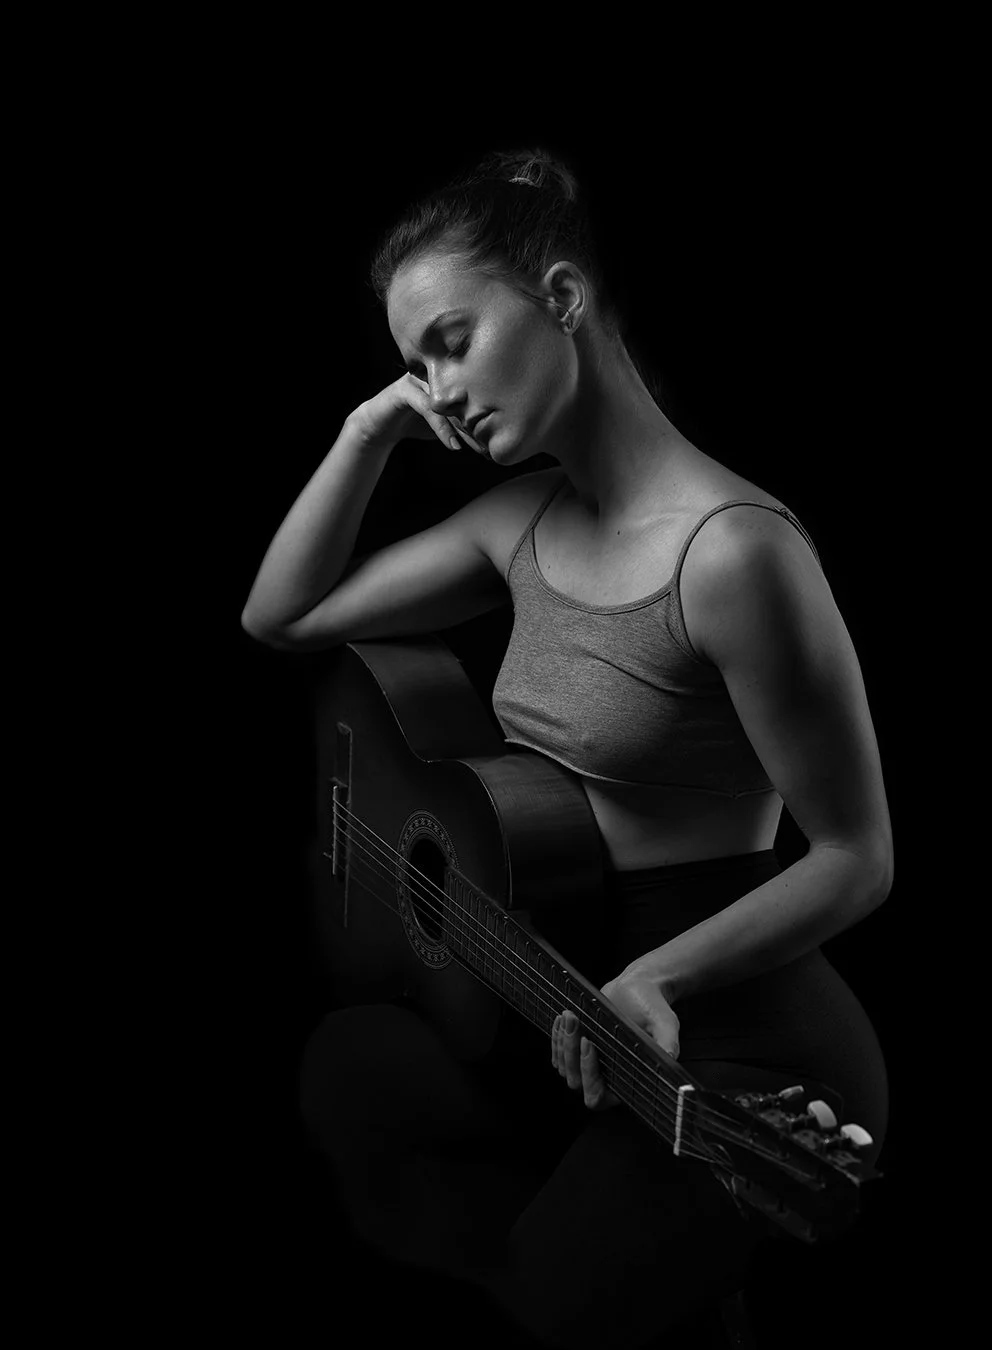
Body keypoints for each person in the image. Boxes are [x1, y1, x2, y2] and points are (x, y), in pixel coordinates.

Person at [241, 147, 893, 1349]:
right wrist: (369, 429)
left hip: (723, 1024)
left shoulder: (736, 554)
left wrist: (657, 980)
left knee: (544, 1315)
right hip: (549, 978)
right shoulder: (514, 520)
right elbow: (278, 618)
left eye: (448, 341)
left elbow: (857, 855)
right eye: (410, 367)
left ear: (562, 297)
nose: (437, 388)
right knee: (348, 1086)